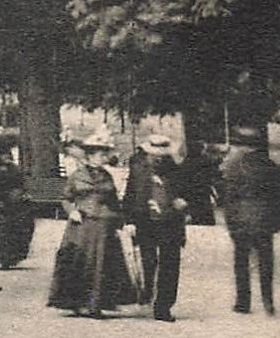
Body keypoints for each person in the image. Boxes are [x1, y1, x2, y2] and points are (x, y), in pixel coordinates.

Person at [47, 130, 138, 318]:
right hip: (82, 226)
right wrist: (72, 211)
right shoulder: (76, 176)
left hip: (105, 225)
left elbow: (114, 201)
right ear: (89, 156)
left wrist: (124, 222)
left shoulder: (107, 176)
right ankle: (76, 302)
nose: (102, 158)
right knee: (80, 262)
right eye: (99, 154)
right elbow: (66, 197)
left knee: (104, 263)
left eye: (104, 154)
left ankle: (96, 304)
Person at [221, 124, 280, 315]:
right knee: (266, 262)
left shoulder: (234, 167)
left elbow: (229, 196)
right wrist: (278, 221)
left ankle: (243, 302)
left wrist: (230, 220)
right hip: (264, 221)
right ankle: (268, 301)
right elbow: (279, 197)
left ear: (244, 146)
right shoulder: (271, 167)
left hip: (241, 221)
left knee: (241, 261)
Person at [122, 134, 188, 323]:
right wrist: (129, 220)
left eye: (162, 154)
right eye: (154, 153)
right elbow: (131, 194)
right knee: (148, 259)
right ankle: (147, 290)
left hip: (170, 221)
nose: (158, 157)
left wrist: (183, 202)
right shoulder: (138, 167)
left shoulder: (176, 170)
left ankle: (163, 306)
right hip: (145, 220)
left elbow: (190, 192)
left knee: (170, 263)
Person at [0, 134, 33, 268]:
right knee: (6, 229)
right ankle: (7, 256)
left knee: (4, 230)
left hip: (5, 203)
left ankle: (3, 256)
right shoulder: (9, 169)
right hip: (7, 203)